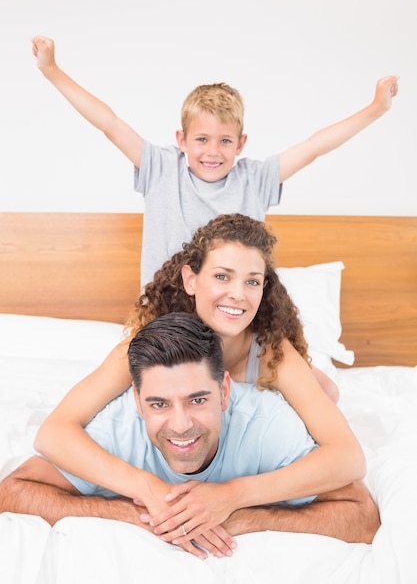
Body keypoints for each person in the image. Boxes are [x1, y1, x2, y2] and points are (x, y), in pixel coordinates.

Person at [32, 214, 366, 552]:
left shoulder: (272, 354)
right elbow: (53, 432)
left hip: (274, 399)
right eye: (222, 276)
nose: (237, 295)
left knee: (326, 391)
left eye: (252, 281)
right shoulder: (155, 349)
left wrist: (235, 493)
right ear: (191, 280)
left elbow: (349, 458)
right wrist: (146, 486)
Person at [0, 313, 380, 561]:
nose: (180, 425)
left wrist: (234, 516)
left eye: (197, 399)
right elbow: (14, 491)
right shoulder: (116, 425)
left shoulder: (268, 424)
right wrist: (145, 514)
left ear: (225, 391)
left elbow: (360, 513)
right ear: (137, 401)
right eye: (159, 404)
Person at [31, 35, 399, 286]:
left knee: (320, 387)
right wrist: (52, 70)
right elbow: (107, 122)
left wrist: (375, 109)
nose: (212, 151)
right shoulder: (161, 169)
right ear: (181, 141)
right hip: (169, 317)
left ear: (240, 144)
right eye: (202, 139)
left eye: (224, 141)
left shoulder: (255, 179)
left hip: (233, 319)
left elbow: (314, 146)